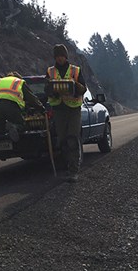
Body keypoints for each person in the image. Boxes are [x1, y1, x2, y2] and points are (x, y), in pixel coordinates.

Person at [46, 44, 89, 181]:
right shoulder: (50, 71)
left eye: (62, 56)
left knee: (72, 138)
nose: (60, 59)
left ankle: (74, 171)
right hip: (58, 109)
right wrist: (52, 91)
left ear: (66, 56)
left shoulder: (75, 70)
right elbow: (46, 88)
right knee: (63, 140)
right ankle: (67, 166)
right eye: (57, 56)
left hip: (73, 109)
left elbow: (83, 89)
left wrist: (74, 86)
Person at [0, 72, 44, 148]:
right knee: (21, 125)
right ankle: (14, 127)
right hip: (10, 105)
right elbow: (32, 99)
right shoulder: (19, 82)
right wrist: (41, 109)